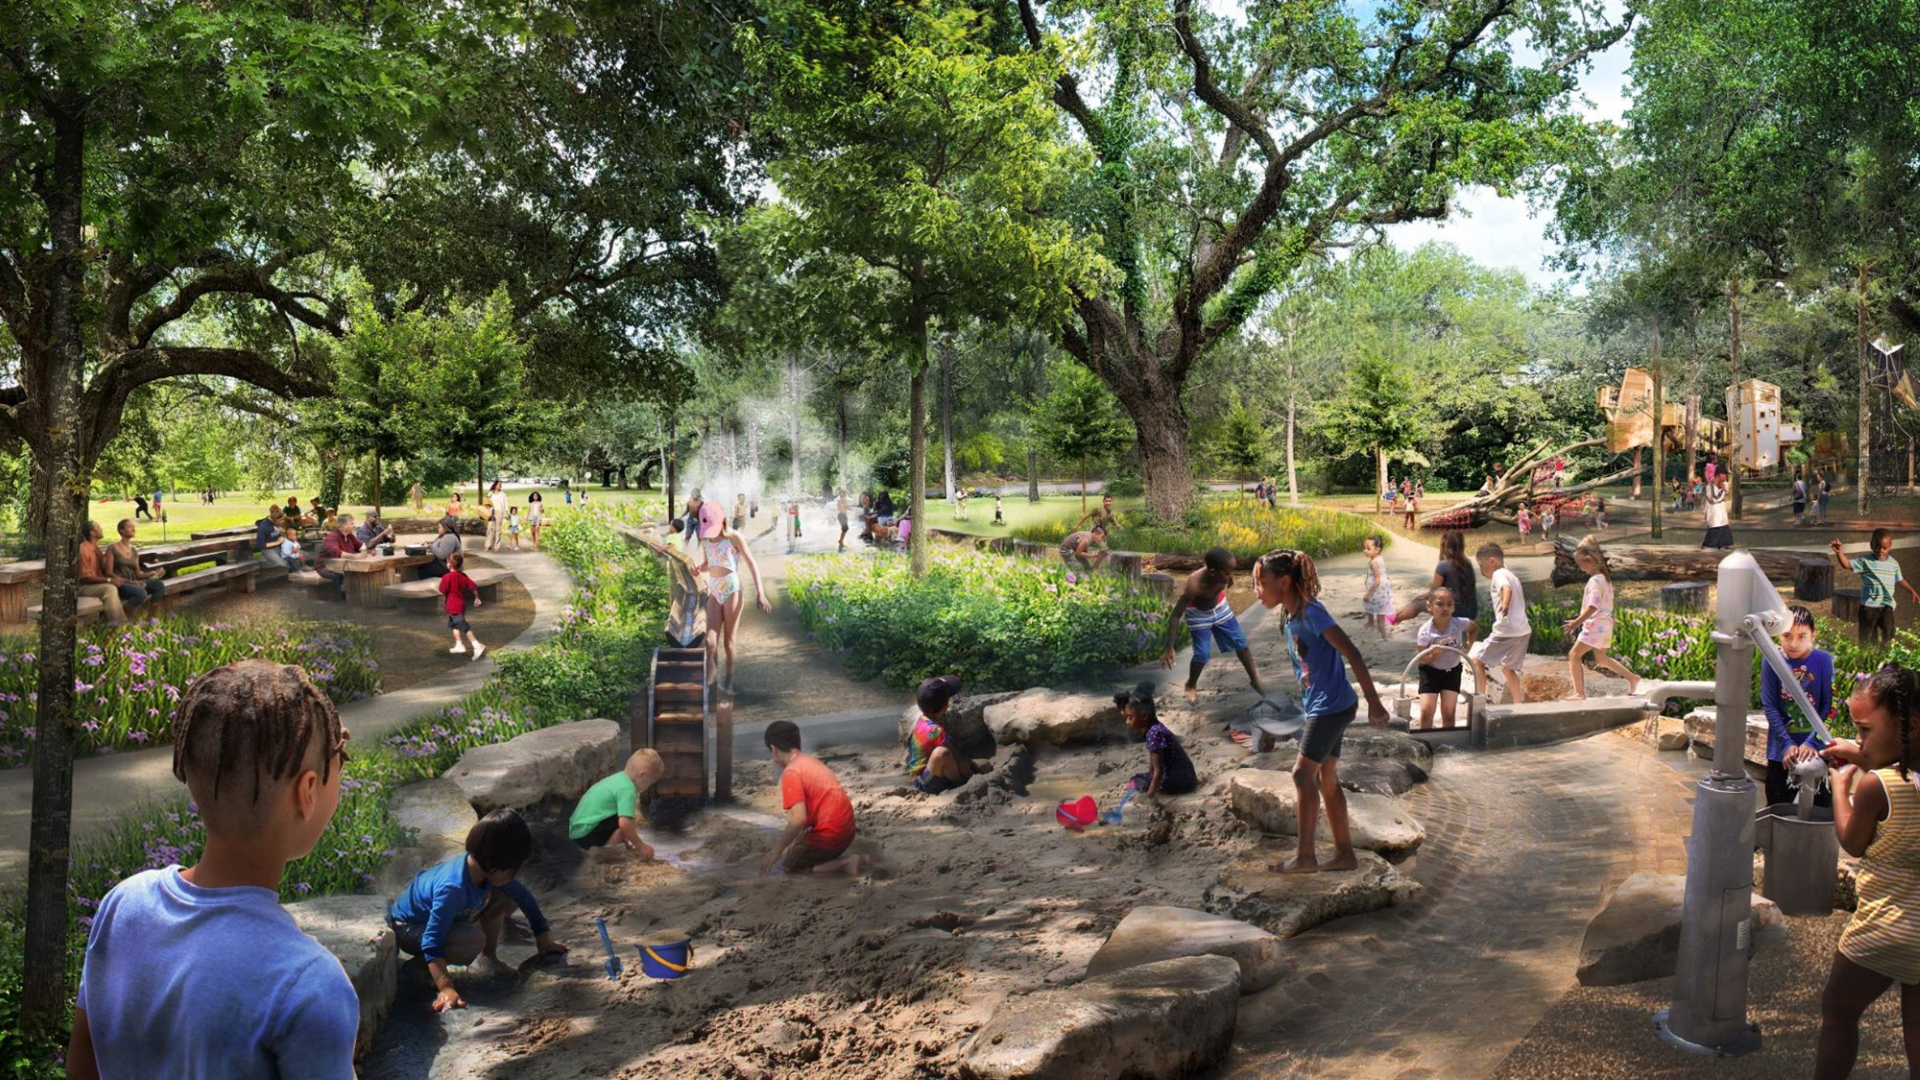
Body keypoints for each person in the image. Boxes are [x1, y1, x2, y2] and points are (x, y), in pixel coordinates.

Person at [67, 662, 358, 1078]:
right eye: (339, 759)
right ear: (308, 791)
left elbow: (82, 1066)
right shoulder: (308, 983)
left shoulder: (125, 905)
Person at [1252, 549, 1390, 874]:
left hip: (1330, 707)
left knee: (1302, 775)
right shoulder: (1290, 615)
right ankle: (1344, 854)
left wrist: (1374, 702)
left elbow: (1352, 653)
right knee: (1327, 780)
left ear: (1284, 581)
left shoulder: (1313, 612)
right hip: (1325, 703)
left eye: (1261, 583)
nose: (1257, 591)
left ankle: (1305, 858)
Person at [1813, 665, 1920, 1077]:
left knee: (1838, 1010)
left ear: (1909, 727)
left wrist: (1842, 788)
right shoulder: (1905, 776)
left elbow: (1853, 842)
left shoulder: (1877, 786)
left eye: (1865, 731)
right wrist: (1862, 752)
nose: (1859, 741)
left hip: (1885, 928)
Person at [387, 809, 569, 1012]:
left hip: (438, 921)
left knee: (505, 895)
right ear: (494, 864)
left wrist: (543, 937)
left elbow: (524, 897)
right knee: (470, 939)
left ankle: (488, 957)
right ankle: (418, 968)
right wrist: (446, 987)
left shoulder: (483, 868)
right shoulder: (452, 888)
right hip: (409, 927)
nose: (515, 874)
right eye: (513, 869)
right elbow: (432, 940)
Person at [760, 720, 867, 876]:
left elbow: (799, 819)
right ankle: (853, 860)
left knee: (791, 867)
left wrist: (775, 851)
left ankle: (845, 862)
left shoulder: (792, 772)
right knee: (797, 849)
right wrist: (795, 841)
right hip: (846, 831)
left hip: (829, 835)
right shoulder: (811, 761)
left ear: (774, 750)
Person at [694, 501, 772, 693]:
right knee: (710, 642)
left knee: (728, 642)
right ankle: (711, 682)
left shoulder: (734, 537)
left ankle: (728, 682)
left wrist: (761, 593)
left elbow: (751, 563)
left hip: (732, 590)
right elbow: (708, 564)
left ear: (722, 521)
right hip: (714, 590)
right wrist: (698, 569)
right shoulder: (705, 539)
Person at [1761, 605, 1833, 808]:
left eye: (1802, 636)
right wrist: (1787, 744)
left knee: (1821, 809)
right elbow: (1769, 705)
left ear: (1813, 635)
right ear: (1779, 635)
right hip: (1781, 752)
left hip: (1817, 748)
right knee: (1776, 807)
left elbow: (1829, 705)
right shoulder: (1771, 660)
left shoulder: (1823, 660)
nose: (1794, 643)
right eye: (1787, 636)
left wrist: (1812, 742)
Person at [1560, 536, 1640, 700]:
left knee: (1574, 655)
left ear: (1589, 560)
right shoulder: (1604, 578)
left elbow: (1593, 606)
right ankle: (1632, 678)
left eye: (1580, 564)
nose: (1580, 569)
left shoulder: (1595, 581)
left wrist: (1576, 622)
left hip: (1595, 626)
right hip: (1605, 626)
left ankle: (1580, 693)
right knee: (1601, 658)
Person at [904, 675, 993, 795]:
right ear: (946, 706)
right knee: (942, 753)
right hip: (923, 783)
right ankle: (961, 785)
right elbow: (958, 760)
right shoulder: (936, 731)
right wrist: (973, 779)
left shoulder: (922, 720)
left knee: (982, 764)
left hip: (929, 774)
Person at [569, 750, 663, 861]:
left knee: (624, 815)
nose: (647, 787)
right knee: (627, 821)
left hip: (577, 833)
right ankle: (606, 850)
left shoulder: (618, 779)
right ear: (643, 775)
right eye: (649, 783)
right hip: (588, 836)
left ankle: (614, 842)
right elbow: (625, 824)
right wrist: (641, 846)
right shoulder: (627, 788)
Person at [1832, 529, 1920, 648]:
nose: (1880, 550)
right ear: (1871, 545)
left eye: (1884, 548)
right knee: (1867, 639)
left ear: (1890, 546)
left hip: (1886, 605)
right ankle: (1868, 656)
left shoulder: (1894, 564)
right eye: (1877, 547)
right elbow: (1846, 564)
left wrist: (1911, 591)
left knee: (1889, 633)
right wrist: (1839, 552)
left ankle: (1885, 656)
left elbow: (1900, 579)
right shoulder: (1865, 561)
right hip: (1868, 607)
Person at [1470, 543, 1531, 704]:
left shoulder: (1499, 574)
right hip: (1523, 631)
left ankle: (1479, 703)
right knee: (1508, 668)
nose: (1481, 571)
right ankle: (1519, 705)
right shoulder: (1511, 575)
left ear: (1492, 561)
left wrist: (1505, 604)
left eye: (1481, 566)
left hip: (1506, 630)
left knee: (1477, 661)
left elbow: (1506, 588)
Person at [1118, 681, 1195, 800]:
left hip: (1178, 782)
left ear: (1144, 716)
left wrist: (1149, 797)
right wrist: (1151, 774)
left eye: (1130, 718)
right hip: (1189, 777)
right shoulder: (1157, 728)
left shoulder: (1153, 734)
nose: (1127, 722)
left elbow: (1159, 771)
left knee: (1134, 781)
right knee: (1145, 777)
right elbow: (1154, 760)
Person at [1413, 588, 1475, 731]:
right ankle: (1426, 739)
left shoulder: (1458, 623)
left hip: (1452, 671)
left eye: (1449, 604)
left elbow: (1474, 628)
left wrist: (1467, 646)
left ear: (1454, 607)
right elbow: (1422, 659)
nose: (1445, 608)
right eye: (1440, 604)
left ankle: (1448, 740)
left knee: (1448, 712)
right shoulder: (1425, 631)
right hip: (1430, 672)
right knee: (1426, 711)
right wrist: (1433, 656)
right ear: (1430, 607)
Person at [108, 519, 165, 618]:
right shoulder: (112, 548)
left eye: (134, 527)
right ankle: (122, 617)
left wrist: (152, 573)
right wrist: (132, 582)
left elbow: (138, 574)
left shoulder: (134, 551)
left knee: (158, 584)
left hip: (134, 583)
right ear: (121, 530)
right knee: (141, 593)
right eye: (130, 527)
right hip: (120, 584)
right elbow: (108, 572)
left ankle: (150, 619)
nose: (133, 529)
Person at [77, 522, 131, 625]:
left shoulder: (96, 549)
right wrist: (109, 580)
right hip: (85, 587)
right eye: (98, 527)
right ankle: (120, 626)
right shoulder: (83, 550)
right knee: (109, 589)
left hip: (97, 584)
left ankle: (120, 623)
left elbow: (105, 569)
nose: (101, 528)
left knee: (132, 588)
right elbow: (85, 577)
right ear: (92, 533)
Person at [439, 552, 485, 660]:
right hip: (460, 605)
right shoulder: (463, 576)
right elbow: (473, 586)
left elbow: (442, 590)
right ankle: (459, 645)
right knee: (454, 625)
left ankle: (477, 645)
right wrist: (477, 597)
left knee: (463, 626)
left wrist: (434, 587)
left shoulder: (447, 577)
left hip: (454, 606)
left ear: (449, 565)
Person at [317, 514, 368, 587]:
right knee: (343, 576)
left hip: (344, 566)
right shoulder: (332, 537)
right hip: (326, 567)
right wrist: (354, 556)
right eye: (352, 523)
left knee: (360, 574)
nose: (354, 526)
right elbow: (337, 553)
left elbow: (362, 545)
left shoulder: (350, 536)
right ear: (344, 525)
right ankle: (339, 594)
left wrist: (364, 552)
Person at [1360, 535, 1394, 640]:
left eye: (1368, 548)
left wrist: (1369, 593)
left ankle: (1381, 632)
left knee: (1370, 605)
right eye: (1364, 548)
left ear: (1377, 550)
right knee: (1378, 611)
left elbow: (1377, 579)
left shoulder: (1374, 562)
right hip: (1382, 591)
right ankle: (1376, 628)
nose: (1365, 551)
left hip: (1377, 591)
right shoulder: (1379, 558)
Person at [1701, 476, 1733, 549]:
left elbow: (1726, 491)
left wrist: (1723, 488)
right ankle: (1708, 544)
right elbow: (1715, 498)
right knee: (1715, 526)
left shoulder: (1721, 484)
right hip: (1714, 510)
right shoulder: (1710, 487)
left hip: (1720, 509)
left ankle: (1723, 543)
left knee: (1723, 526)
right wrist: (1723, 490)